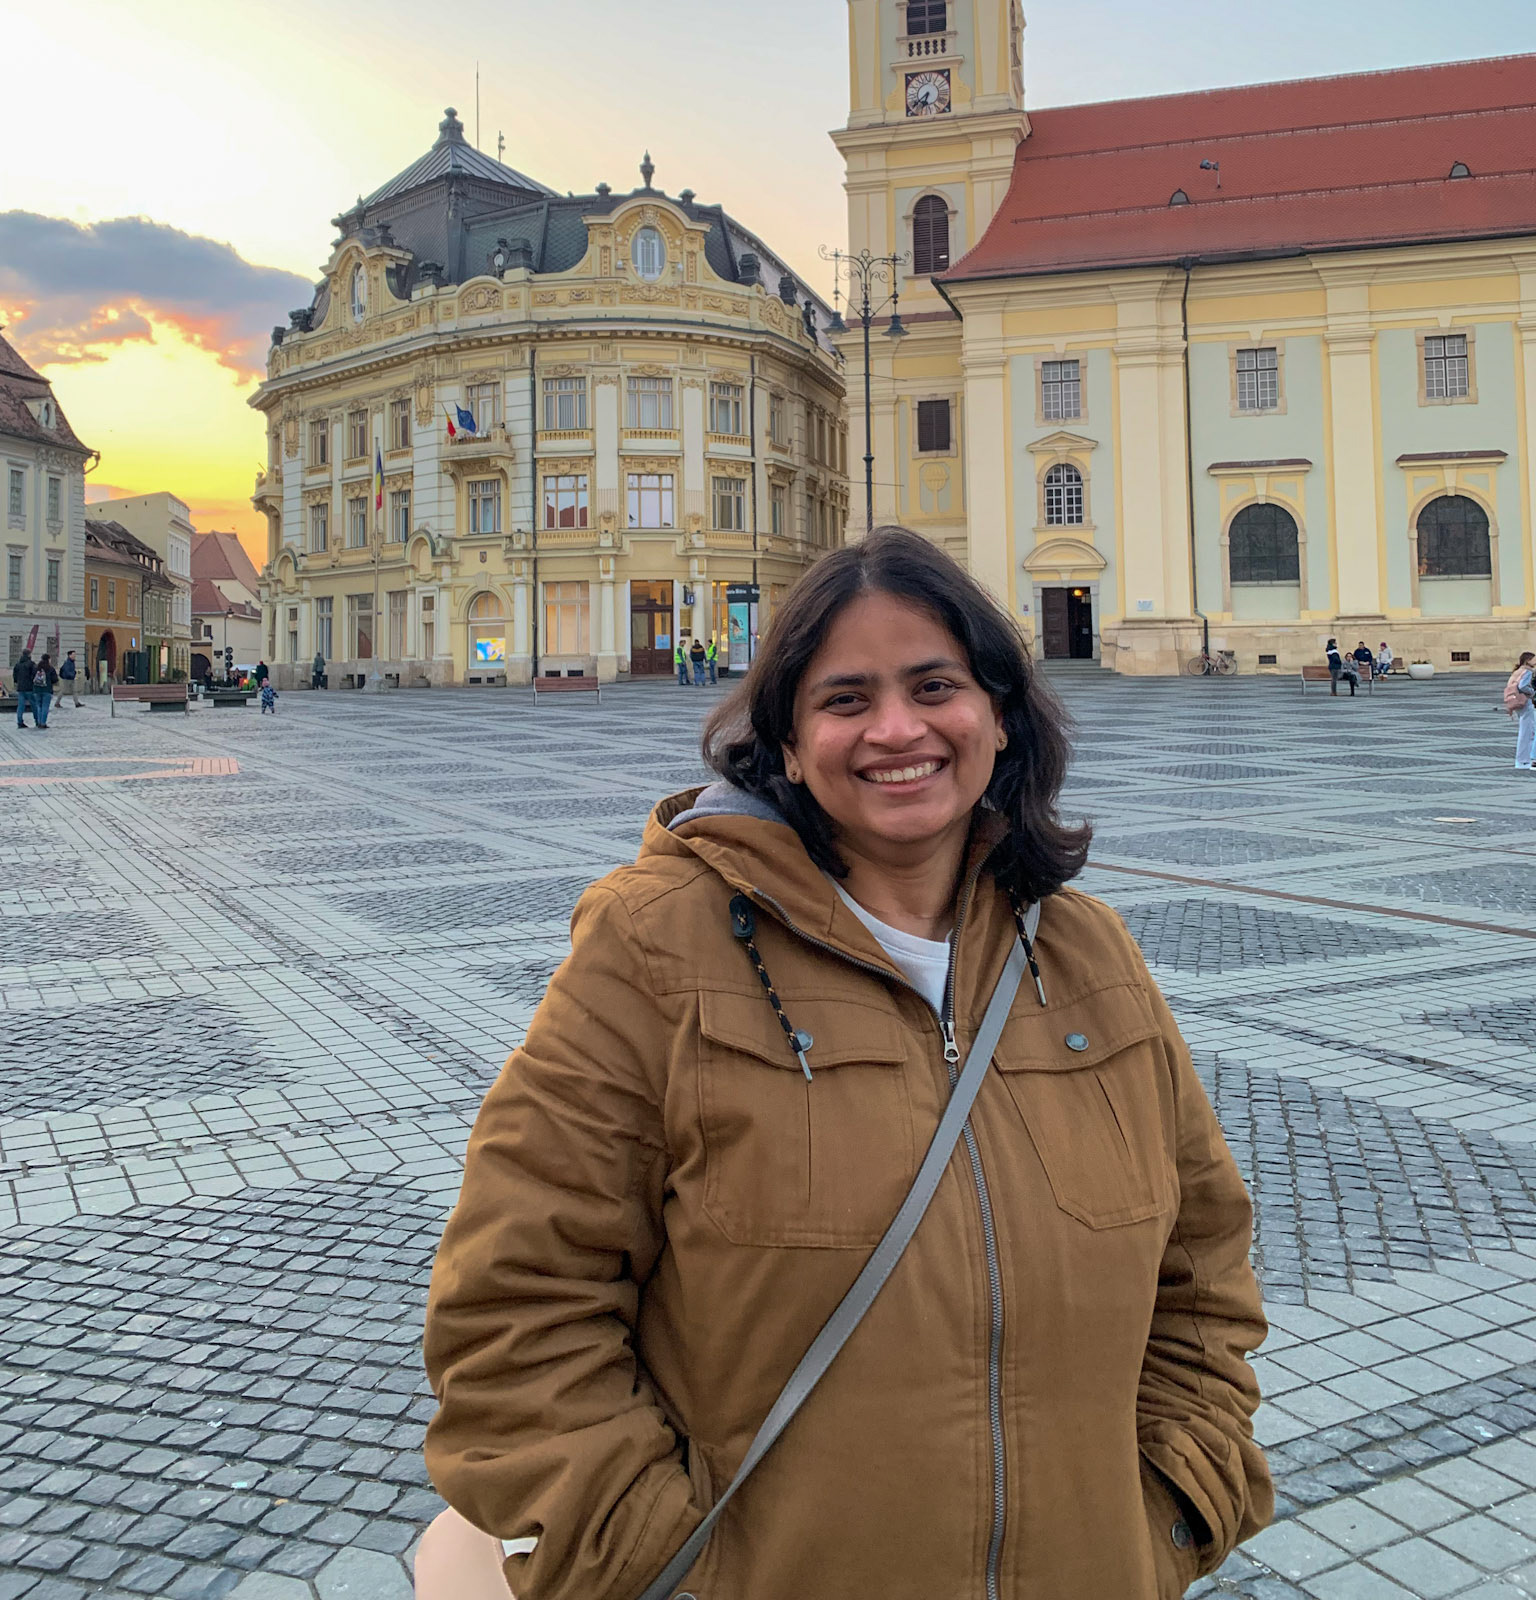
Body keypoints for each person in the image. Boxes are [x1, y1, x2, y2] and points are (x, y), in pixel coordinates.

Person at [419, 526, 1272, 1600]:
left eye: (934, 684)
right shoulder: (654, 945)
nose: (898, 728)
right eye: (846, 698)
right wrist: (664, 1568)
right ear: (783, 742)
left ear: (1000, 714)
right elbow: (514, 1310)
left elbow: (1203, 1270)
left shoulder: (1088, 952)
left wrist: (1169, 1513)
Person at [1507, 651, 1536, 770]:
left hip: (1518, 703)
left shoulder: (1518, 671)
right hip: (1525, 703)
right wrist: (1533, 692)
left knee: (1526, 731)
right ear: (1527, 660)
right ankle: (1523, 760)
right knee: (1526, 732)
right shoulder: (1527, 671)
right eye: (1534, 659)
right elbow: (1523, 686)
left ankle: (1523, 759)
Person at [12, 647, 36, 729]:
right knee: (34, 705)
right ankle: (37, 720)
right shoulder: (31, 664)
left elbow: (14, 676)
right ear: (29, 654)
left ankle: (19, 722)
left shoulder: (18, 664)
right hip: (30, 688)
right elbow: (34, 675)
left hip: (20, 688)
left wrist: (17, 682)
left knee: (21, 706)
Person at [32, 654, 57, 729]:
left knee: (38, 706)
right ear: (48, 659)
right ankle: (43, 723)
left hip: (37, 689)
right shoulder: (50, 668)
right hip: (47, 689)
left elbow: (31, 677)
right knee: (45, 706)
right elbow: (55, 679)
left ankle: (39, 722)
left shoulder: (36, 668)